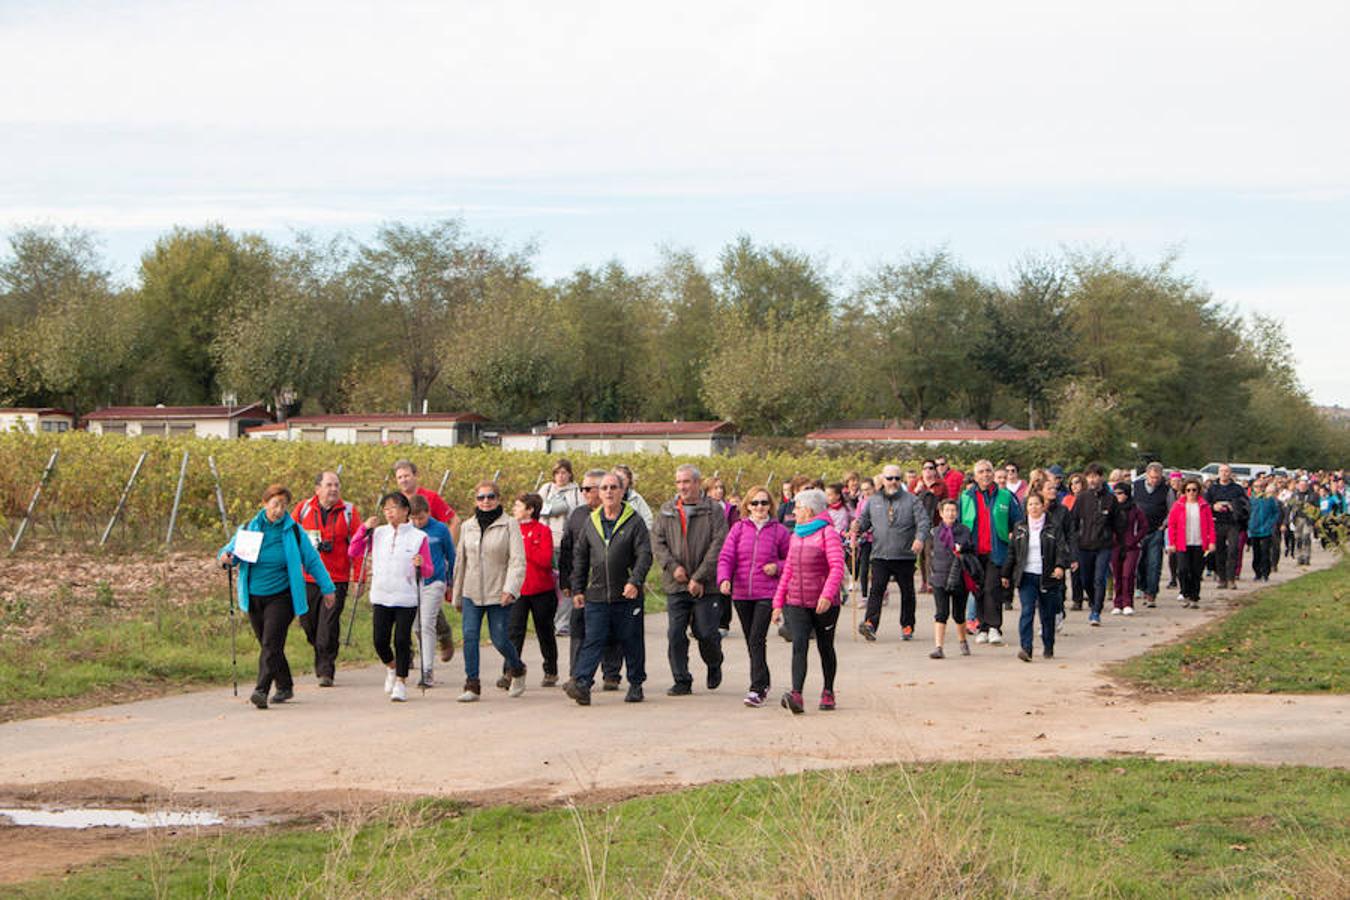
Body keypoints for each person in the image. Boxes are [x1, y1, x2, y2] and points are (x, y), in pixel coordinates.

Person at [220, 484, 336, 710]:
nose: (279, 510)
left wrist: (328, 588)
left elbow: (312, 560)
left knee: (271, 643)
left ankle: (261, 689)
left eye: (283, 505)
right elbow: (231, 554)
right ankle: (284, 685)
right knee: (269, 644)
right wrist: (224, 557)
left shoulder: (293, 531)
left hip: (282, 596)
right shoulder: (250, 528)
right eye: (275, 504)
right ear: (265, 504)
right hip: (254, 595)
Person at [565, 472, 653, 705]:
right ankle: (582, 684)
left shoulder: (634, 521)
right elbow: (580, 557)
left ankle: (636, 683)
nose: (609, 492)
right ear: (598, 492)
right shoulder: (591, 522)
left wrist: (634, 581)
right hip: (596, 594)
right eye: (604, 488)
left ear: (623, 491)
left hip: (626, 595)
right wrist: (578, 589)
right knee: (593, 639)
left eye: (614, 487)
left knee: (631, 640)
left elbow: (644, 555)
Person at [348, 492, 434, 702]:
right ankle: (391, 667)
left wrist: (421, 563)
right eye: (386, 509)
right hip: (381, 594)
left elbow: (430, 570)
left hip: (406, 596)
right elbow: (354, 550)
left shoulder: (418, 537)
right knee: (380, 640)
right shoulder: (377, 534)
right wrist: (364, 528)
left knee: (402, 639)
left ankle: (401, 682)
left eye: (394, 508)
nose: (389, 513)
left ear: (406, 511)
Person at [652, 464, 729, 695]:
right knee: (675, 633)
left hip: (707, 585)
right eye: (679, 482)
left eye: (686, 482)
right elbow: (657, 541)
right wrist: (672, 566)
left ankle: (714, 663)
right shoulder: (667, 510)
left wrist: (699, 577)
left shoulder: (713, 510)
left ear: (697, 483)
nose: (682, 487)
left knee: (705, 632)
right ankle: (681, 679)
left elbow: (719, 544)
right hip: (677, 584)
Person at [450, 481, 528, 702]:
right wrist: (457, 595)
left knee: (500, 638)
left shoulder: (510, 525)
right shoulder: (467, 526)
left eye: (490, 497)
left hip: (498, 591)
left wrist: (511, 588)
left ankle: (517, 668)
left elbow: (517, 560)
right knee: (469, 636)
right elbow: (461, 563)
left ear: (498, 499)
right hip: (472, 591)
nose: (486, 501)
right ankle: (472, 684)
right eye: (481, 497)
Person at [772, 489, 845, 714]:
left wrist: (827, 594)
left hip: (824, 603)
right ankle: (797, 694)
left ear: (809, 510)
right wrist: (777, 603)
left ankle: (828, 691)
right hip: (796, 601)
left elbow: (837, 567)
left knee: (825, 646)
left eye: (797, 507)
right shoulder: (796, 535)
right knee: (799, 645)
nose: (793, 511)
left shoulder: (828, 533)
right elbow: (788, 571)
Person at [717, 486, 791, 707]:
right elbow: (726, 556)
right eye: (755, 503)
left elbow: (790, 560)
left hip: (766, 592)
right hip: (741, 593)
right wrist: (724, 579)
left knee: (757, 638)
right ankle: (765, 680)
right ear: (747, 506)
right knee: (752, 640)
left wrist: (776, 567)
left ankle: (756, 688)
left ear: (770, 505)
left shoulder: (779, 531)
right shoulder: (739, 529)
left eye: (764, 503)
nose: (760, 507)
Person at [292, 470, 360, 687]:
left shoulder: (349, 511)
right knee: (308, 623)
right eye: (329, 485)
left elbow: (358, 546)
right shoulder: (303, 509)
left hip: (336, 579)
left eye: (337, 485)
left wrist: (358, 577)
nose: (334, 489)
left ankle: (325, 670)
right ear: (317, 489)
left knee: (327, 625)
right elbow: (288, 535)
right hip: (307, 578)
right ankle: (323, 652)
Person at [559, 469, 625, 689]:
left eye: (589, 488)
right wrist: (567, 582)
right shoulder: (578, 515)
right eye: (583, 489)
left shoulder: (618, 516)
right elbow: (567, 549)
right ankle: (576, 675)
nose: (585, 493)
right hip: (582, 583)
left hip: (609, 582)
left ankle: (611, 673)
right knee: (578, 628)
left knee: (610, 629)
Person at [852, 464, 928, 642]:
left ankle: (907, 625)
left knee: (907, 593)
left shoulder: (912, 500)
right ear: (883, 480)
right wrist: (858, 526)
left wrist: (920, 539)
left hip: (905, 555)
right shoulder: (873, 500)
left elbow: (923, 522)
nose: (893, 482)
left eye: (897, 478)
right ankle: (870, 624)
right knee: (876, 590)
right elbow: (864, 521)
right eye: (889, 478)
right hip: (880, 555)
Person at [394, 460, 457, 661]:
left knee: (426, 609)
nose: (404, 480)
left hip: (432, 566)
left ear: (415, 475)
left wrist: (445, 548)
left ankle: (443, 635)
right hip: (405, 564)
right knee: (405, 607)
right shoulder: (396, 501)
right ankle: (408, 652)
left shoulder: (430, 497)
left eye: (407, 475)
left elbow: (454, 521)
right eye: (400, 477)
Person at [1001, 493, 1072, 661]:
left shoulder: (1053, 527)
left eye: (1037, 504)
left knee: (1047, 615)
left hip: (1048, 576)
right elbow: (1012, 553)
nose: (1034, 507)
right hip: (1026, 576)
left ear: (1043, 506)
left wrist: (1060, 566)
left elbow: (1062, 549)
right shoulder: (1020, 527)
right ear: (1026, 508)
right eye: (1030, 504)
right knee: (1027, 611)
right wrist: (1006, 573)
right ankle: (1026, 648)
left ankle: (1048, 646)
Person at [959, 459, 1020, 644]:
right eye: (981, 472)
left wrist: (1013, 537)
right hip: (974, 552)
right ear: (975, 476)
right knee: (978, 590)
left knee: (992, 588)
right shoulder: (966, 497)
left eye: (988, 471)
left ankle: (994, 627)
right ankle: (982, 627)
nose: (985, 475)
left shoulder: (1005, 496)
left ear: (993, 474)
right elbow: (959, 522)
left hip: (997, 551)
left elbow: (1017, 521)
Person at [504, 492, 560, 686]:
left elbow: (545, 560)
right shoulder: (511, 530)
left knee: (544, 631)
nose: (514, 509)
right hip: (518, 589)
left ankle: (551, 669)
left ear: (530, 510)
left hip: (541, 589)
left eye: (519, 506)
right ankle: (510, 670)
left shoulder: (542, 531)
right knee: (514, 631)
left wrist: (524, 546)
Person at [408, 494, 455, 688]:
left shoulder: (440, 529)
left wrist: (452, 583)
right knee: (417, 627)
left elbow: (451, 556)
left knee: (427, 623)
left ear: (428, 513)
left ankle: (427, 670)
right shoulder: (407, 531)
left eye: (421, 518)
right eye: (414, 518)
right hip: (412, 582)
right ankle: (426, 659)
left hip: (434, 581)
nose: (418, 522)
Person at [1069, 463, 1117, 626]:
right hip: (1084, 545)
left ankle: (1096, 610)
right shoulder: (1082, 498)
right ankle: (1092, 599)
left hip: (1103, 545)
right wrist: (1074, 542)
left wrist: (1114, 539)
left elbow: (1118, 523)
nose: (1093, 479)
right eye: (1090, 476)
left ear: (1101, 477)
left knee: (1099, 578)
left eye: (1096, 476)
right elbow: (1073, 522)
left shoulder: (1110, 499)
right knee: (1086, 579)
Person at [539, 459, 582, 639]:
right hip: (546, 541)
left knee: (564, 584)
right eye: (557, 473)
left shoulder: (577, 492)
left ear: (570, 474)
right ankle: (549, 620)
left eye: (564, 473)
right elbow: (538, 508)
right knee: (548, 583)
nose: (561, 476)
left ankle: (563, 623)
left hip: (566, 543)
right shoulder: (546, 489)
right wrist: (554, 508)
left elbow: (579, 512)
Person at [927, 498, 973, 659]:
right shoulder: (934, 532)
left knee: (959, 614)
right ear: (941, 513)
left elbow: (970, 547)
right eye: (947, 510)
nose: (950, 513)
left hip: (959, 577)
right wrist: (929, 577)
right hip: (939, 577)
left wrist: (963, 547)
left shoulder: (964, 530)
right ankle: (939, 647)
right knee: (941, 613)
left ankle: (962, 640)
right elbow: (928, 556)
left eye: (953, 510)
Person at [1168, 478, 1216, 608]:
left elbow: (1211, 526)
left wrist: (1211, 541)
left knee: (1196, 571)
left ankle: (1194, 596)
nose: (1191, 493)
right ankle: (1185, 592)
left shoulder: (1204, 506)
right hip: (1182, 543)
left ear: (1198, 491)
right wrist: (1171, 542)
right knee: (1183, 569)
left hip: (1199, 543)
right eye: (1188, 490)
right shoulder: (1178, 506)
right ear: (1184, 491)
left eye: (1194, 490)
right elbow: (1172, 525)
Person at [1131, 463, 1173, 609]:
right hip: (1138, 531)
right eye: (1152, 477)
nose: (1155, 480)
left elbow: (1171, 509)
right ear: (1147, 475)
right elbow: (1129, 506)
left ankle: (1151, 593)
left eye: (1157, 478)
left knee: (1154, 563)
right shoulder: (1136, 487)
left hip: (1156, 530)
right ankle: (1141, 586)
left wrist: (1164, 524)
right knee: (1140, 562)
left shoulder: (1166, 490)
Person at [1205, 464, 1249, 590]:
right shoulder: (1212, 488)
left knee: (1233, 550)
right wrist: (1214, 506)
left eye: (1227, 471)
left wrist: (1234, 506)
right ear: (1218, 473)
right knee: (1219, 551)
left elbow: (1245, 504)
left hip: (1233, 523)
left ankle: (1231, 578)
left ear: (1230, 473)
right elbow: (1205, 504)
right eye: (1222, 471)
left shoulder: (1237, 489)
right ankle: (1222, 578)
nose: (1224, 474)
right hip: (1217, 522)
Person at [1110, 482, 1148, 616]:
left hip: (1131, 547)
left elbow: (1144, 527)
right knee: (1117, 575)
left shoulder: (1135, 509)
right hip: (1115, 546)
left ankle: (1127, 603)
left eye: (1120, 493)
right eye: (1115, 493)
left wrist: (1135, 539)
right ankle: (1117, 603)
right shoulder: (1111, 509)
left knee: (1128, 574)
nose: (1117, 496)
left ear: (1126, 494)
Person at [1247, 482, 1281, 582]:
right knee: (1256, 552)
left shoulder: (1269, 500)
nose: (1259, 489)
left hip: (1266, 530)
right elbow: (1247, 513)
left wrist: (1270, 524)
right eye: (1256, 487)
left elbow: (1275, 513)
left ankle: (1266, 573)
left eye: (1261, 487)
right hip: (1254, 530)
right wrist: (1249, 525)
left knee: (1265, 552)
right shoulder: (1251, 500)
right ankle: (1257, 573)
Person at [612, 464, 654, 528]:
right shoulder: (607, 496)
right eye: (617, 478)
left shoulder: (636, 498)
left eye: (622, 479)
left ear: (629, 480)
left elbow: (648, 520)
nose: (619, 482)